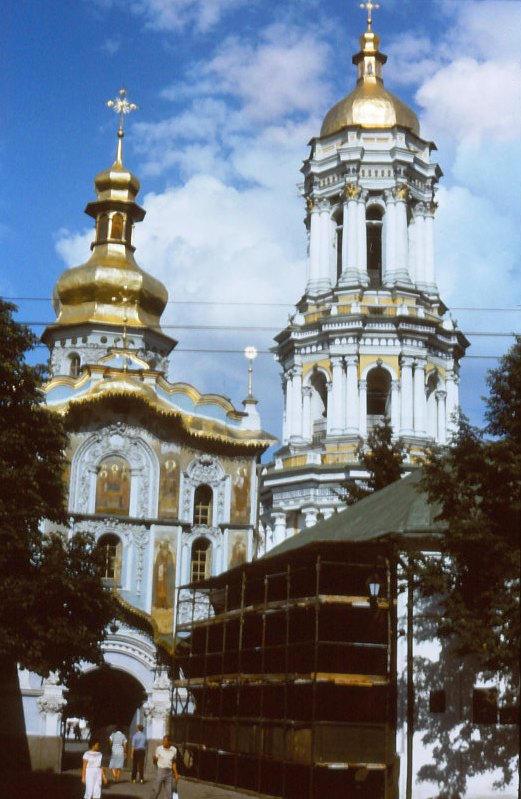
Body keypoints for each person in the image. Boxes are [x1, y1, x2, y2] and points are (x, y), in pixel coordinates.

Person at [151, 735, 179, 799]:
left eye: (165, 741)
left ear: (169, 742)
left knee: (169, 793)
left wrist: (176, 773)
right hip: (160, 771)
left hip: (169, 773)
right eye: (163, 741)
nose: (163, 743)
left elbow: (174, 762)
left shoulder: (174, 750)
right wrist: (154, 759)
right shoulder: (159, 749)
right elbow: (154, 762)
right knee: (156, 790)